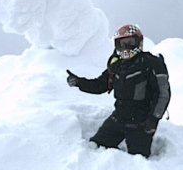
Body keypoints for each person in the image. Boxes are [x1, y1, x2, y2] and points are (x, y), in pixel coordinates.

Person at [66, 24, 171, 158]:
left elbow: (163, 94)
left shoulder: (151, 63)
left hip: (141, 122)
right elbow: (99, 85)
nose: (126, 48)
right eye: (121, 44)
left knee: (138, 160)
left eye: (130, 43)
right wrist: (79, 82)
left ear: (139, 42)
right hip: (119, 117)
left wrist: (153, 119)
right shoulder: (117, 64)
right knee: (95, 147)